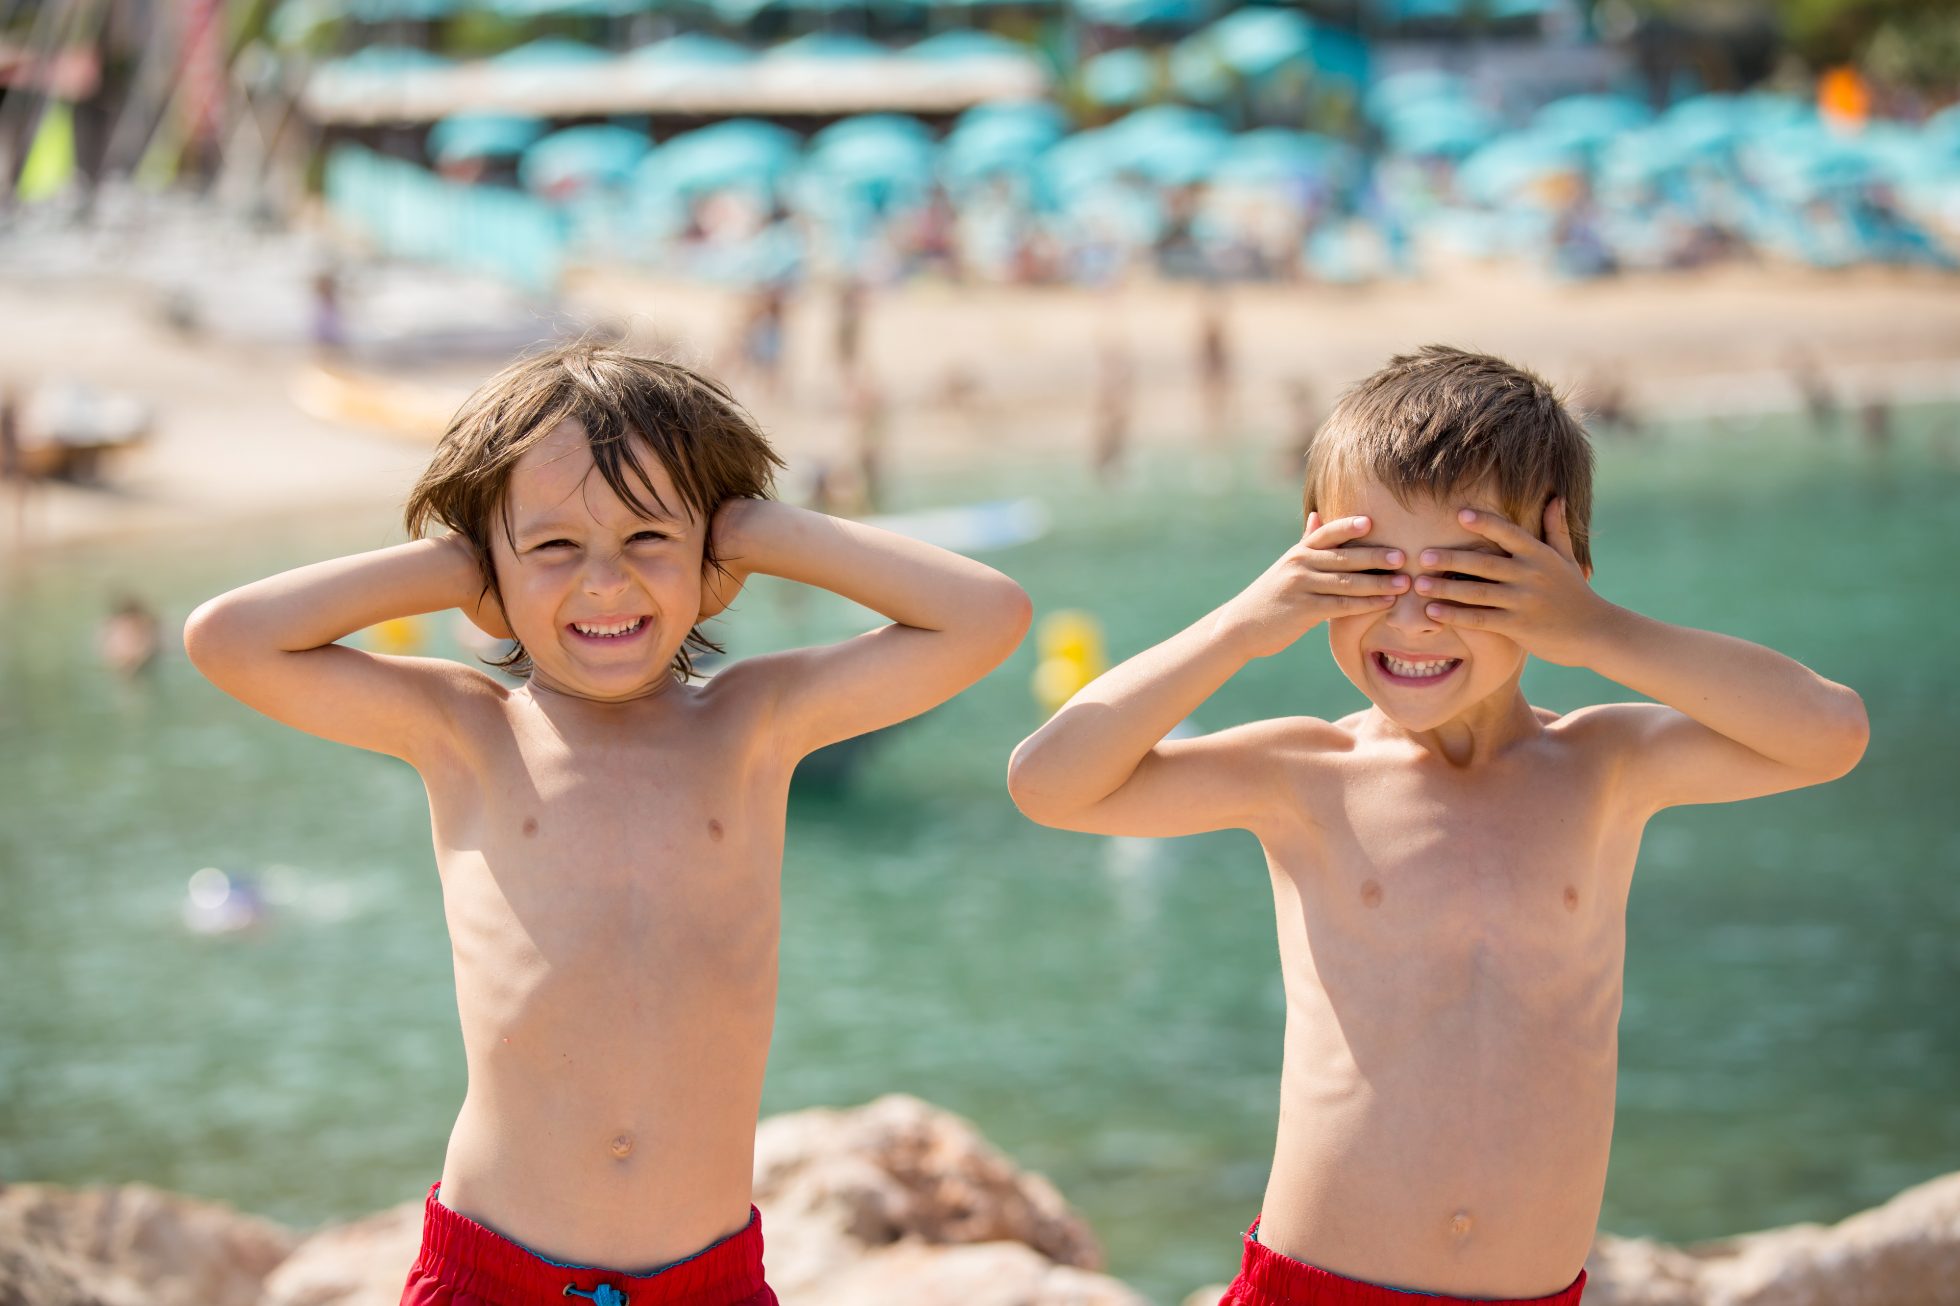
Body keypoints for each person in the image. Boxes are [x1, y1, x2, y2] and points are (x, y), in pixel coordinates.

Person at [1007, 346, 1868, 1306]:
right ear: (1312, 560)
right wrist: (1251, 620)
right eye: (1371, 572)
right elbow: (1051, 783)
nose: (1414, 617)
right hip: (1312, 1289)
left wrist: (1595, 629)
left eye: (1469, 578)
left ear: (1561, 572)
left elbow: (1827, 734)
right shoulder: (1306, 776)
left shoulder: (1602, 770)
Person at [184, 342, 1031, 1306]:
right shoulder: (470, 731)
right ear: (491, 575)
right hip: (492, 1273)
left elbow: (986, 615)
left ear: (710, 558)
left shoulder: (753, 723)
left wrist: (751, 529)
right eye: (552, 548)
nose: (605, 583)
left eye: (648, 540)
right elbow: (228, 639)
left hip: (707, 1281)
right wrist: (462, 563)